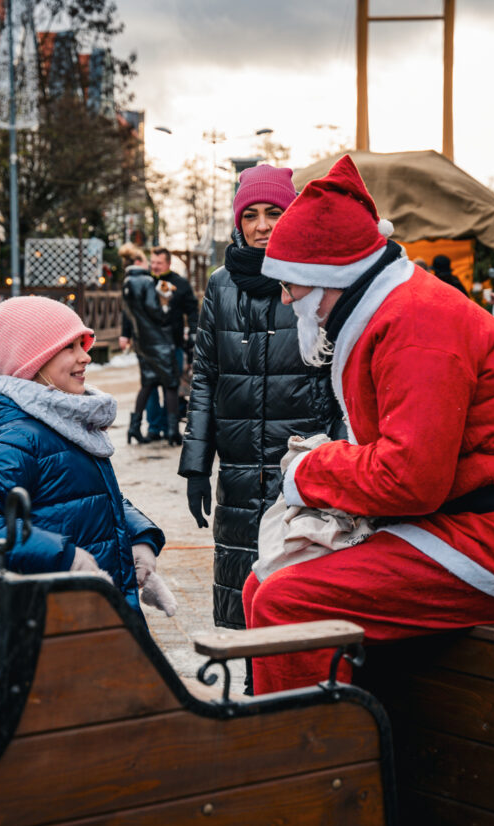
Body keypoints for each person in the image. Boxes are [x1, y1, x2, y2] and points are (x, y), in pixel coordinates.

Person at [243, 155, 494, 694]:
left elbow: (409, 478)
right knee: (263, 583)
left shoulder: (417, 323)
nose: (286, 299)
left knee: (289, 600)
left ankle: (315, 747)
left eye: (291, 284)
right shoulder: (393, 311)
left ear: (329, 276)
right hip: (466, 526)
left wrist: (310, 471)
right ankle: (293, 730)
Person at [179, 163, 346, 630]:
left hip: (301, 463)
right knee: (243, 592)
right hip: (237, 468)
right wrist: (196, 465)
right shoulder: (220, 284)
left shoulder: (316, 278)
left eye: (274, 212)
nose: (262, 226)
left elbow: (338, 378)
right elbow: (206, 376)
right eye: (250, 215)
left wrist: (338, 455)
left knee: (295, 592)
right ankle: (252, 672)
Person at [0, 296, 176, 618]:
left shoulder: (65, 419)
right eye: (70, 347)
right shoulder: (19, 437)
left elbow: (94, 495)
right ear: (33, 362)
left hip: (98, 607)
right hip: (60, 615)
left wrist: (139, 538)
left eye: (82, 345)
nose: (86, 356)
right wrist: (64, 556)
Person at [120, 245, 183, 445]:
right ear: (139, 262)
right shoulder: (146, 281)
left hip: (142, 342)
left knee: (147, 384)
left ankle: (134, 428)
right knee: (171, 384)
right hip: (159, 342)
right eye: (148, 261)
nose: (150, 265)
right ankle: (173, 431)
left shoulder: (127, 282)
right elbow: (156, 312)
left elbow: (130, 314)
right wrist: (166, 304)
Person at [149, 246, 199, 419]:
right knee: (150, 387)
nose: (155, 266)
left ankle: (170, 424)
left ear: (168, 263)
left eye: (159, 263)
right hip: (149, 345)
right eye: (153, 262)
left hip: (174, 343)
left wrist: (193, 333)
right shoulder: (145, 281)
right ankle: (154, 426)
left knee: (171, 386)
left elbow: (192, 311)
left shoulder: (180, 284)